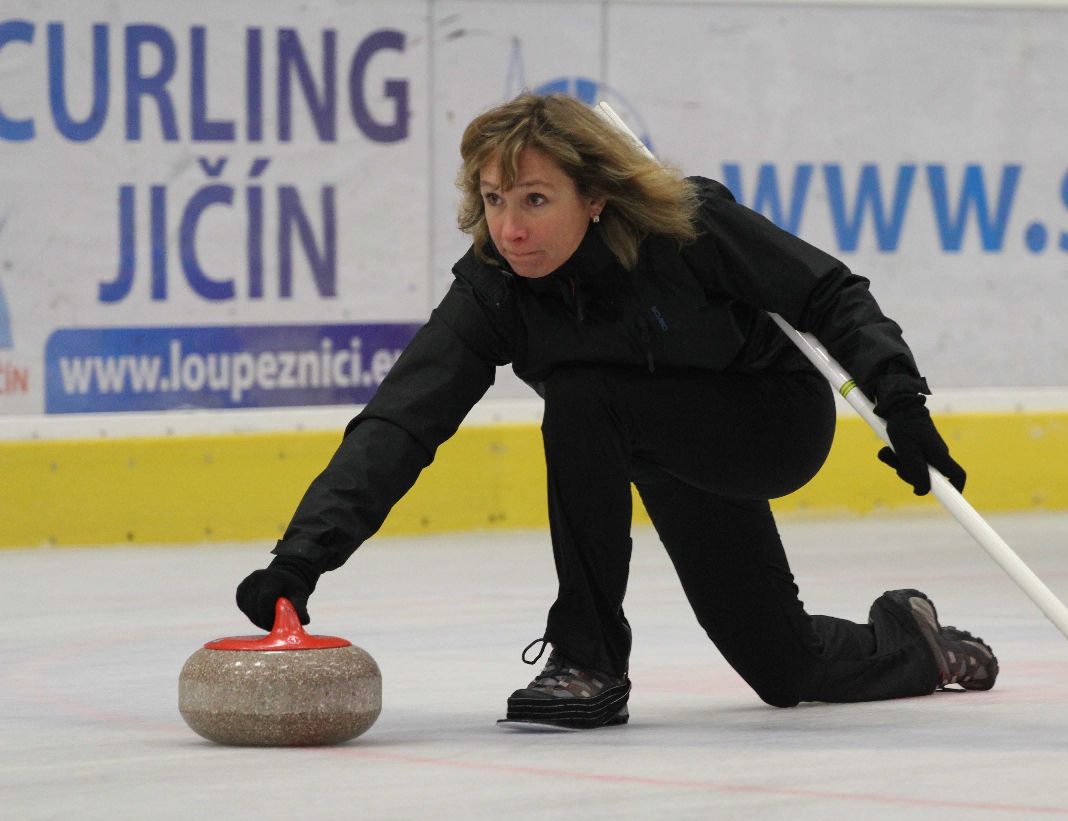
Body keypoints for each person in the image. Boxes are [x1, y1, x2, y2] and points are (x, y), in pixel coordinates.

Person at [236, 93, 997, 730]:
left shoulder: (686, 226)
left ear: (594, 198)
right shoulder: (494, 287)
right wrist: (301, 559)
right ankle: (914, 639)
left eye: (536, 200)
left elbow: (827, 292)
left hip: (767, 421)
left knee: (584, 393)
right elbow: (402, 420)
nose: (511, 229)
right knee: (784, 668)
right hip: (647, 445)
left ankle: (587, 659)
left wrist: (902, 400)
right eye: (496, 200)